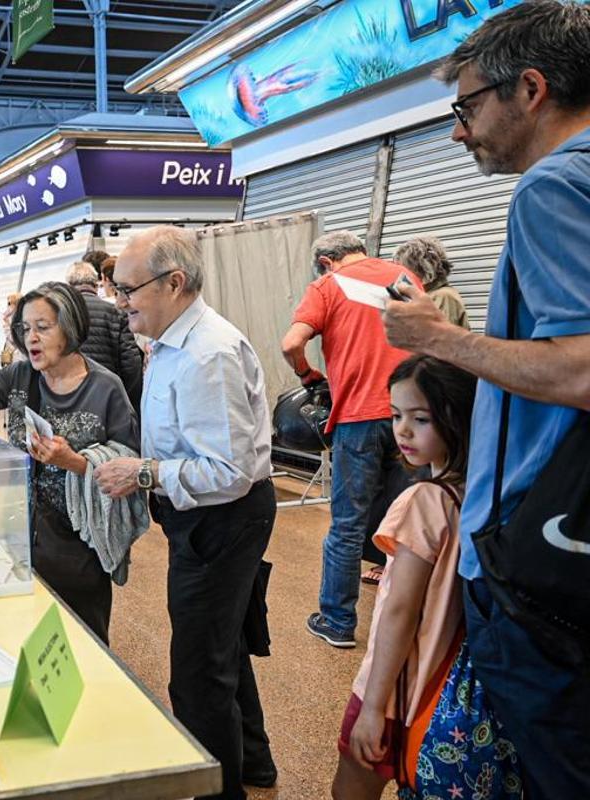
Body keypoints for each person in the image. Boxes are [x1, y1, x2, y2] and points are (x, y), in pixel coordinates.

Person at [383, 4, 590, 795]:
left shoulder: (555, 187)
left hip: (541, 565)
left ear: (530, 88)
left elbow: (581, 370)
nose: (459, 132)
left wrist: (435, 337)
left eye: (467, 107)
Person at [94, 226, 276, 800]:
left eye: (128, 290)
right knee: (223, 646)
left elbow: (228, 471)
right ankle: (256, 764)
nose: (120, 302)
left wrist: (144, 473)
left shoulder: (206, 353)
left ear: (175, 282)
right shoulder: (170, 342)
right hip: (204, 517)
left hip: (223, 517)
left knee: (198, 673)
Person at [333, 356, 519, 798]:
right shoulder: (480, 496)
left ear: (456, 417)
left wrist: (373, 707)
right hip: (449, 692)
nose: (403, 431)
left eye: (421, 418)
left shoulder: (422, 501)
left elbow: (400, 610)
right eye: (396, 416)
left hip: (397, 689)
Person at [0, 282, 141, 644]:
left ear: (71, 326)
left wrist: (73, 461)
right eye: (25, 329)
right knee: (21, 635)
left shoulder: (105, 387)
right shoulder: (20, 375)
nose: (32, 338)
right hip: (16, 533)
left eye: (43, 327)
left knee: (81, 639)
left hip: (77, 544)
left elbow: (129, 464)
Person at [281, 230, 422, 648]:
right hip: (412, 416)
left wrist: (308, 375)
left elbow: (292, 342)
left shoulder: (326, 285)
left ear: (325, 261)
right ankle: (413, 624)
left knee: (347, 523)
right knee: (410, 524)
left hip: (359, 416)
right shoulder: (404, 277)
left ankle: (338, 622)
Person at [67, 260, 145, 415]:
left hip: (71, 397)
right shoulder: (116, 312)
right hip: (109, 398)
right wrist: (122, 393)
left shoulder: (62, 315)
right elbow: (132, 363)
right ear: (96, 284)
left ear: (69, 286)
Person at [393, 237, 470, 329]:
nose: (402, 274)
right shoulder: (424, 294)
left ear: (421, 268)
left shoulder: (443, 297)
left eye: (405, 269)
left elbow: (438, 339)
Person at [0, 293, 21, 367]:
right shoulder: (12, 318)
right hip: (11, 356)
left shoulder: (21, 320)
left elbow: (14, 339)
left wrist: (7, 325)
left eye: (9, 303)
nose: (8, 306)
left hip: (18, 358)